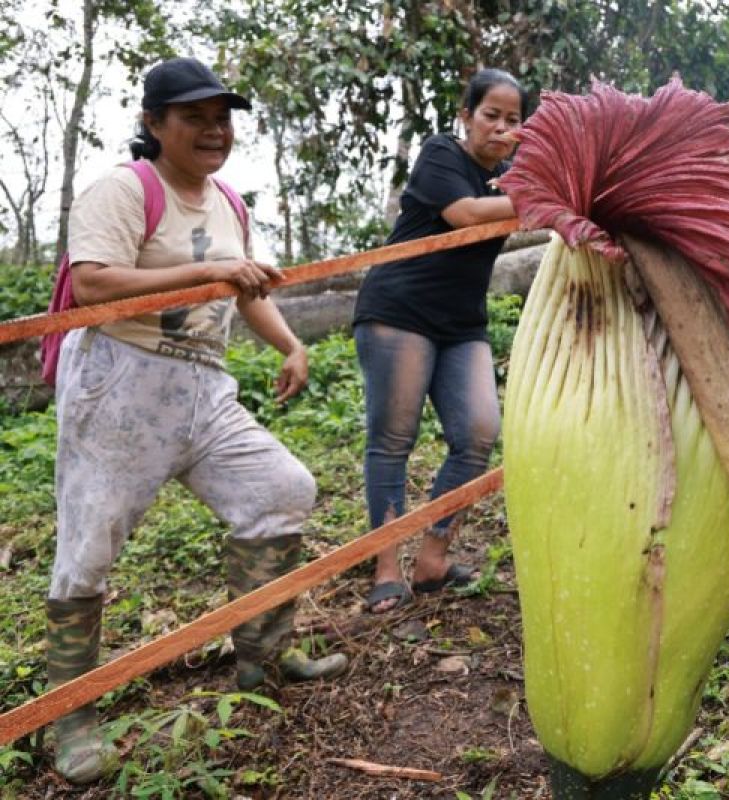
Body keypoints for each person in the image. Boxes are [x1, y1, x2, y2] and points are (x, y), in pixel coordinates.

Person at [48, 57, 346, 784]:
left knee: (281, 490)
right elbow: (92, 282)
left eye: (223, 118)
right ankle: (71, 713)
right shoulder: (125, 190)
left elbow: (244, 291)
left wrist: (291, 342)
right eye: (195, 118)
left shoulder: (228, 203)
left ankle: (263, 656)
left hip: (202, 384)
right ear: (154, 125)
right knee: (89, 545)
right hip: (121, 381)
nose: (215, 131)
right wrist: (202, 276)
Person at [353, 69, 526, 613]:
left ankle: (432, 559)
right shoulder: (440, 154)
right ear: (466, 115)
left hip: (461, 323)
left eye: (513, 119)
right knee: (393, 438)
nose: (500, 128)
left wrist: (537, 190)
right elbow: (466, 216)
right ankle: (386, 569)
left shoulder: (514, 177)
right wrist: (541, 198)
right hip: (399, 310)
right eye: (490, 115)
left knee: (478, 431)